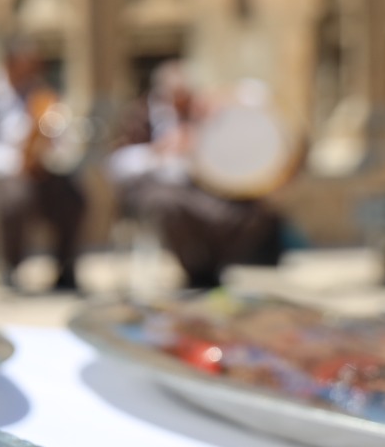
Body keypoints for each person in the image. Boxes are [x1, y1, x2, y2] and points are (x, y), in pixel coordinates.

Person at [109, 61, 281, 289]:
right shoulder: (140, 114)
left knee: (253, 212)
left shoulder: (204, 114)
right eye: (177, 97)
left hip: (202, 190)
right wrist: (160, 151)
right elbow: (118, 163)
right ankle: (193, 270)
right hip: (157, 187)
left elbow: (256, 101)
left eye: (186, 96)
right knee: (167, 205)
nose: (182, 103)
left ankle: (212, 268)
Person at [0, 38, 87, 292]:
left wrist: (53, 148)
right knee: (14, 198)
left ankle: (65, 267)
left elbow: (62, 136)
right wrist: (14, 159)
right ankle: (10, 267)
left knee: (74, 196)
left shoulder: (42, 95)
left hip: (42, 173)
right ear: (10, 63)